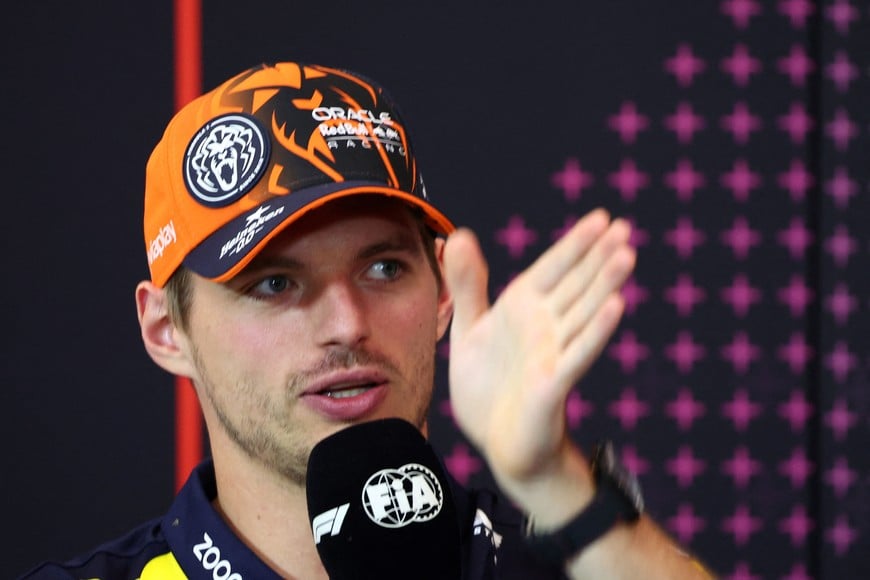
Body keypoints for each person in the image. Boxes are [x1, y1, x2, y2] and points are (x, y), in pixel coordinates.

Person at [19, 61, 714, 579]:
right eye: (274, 283)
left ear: (442, 289)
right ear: (166, 331)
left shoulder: (574, 557)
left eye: (383, 269)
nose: (347, 324)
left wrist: (551, 479)